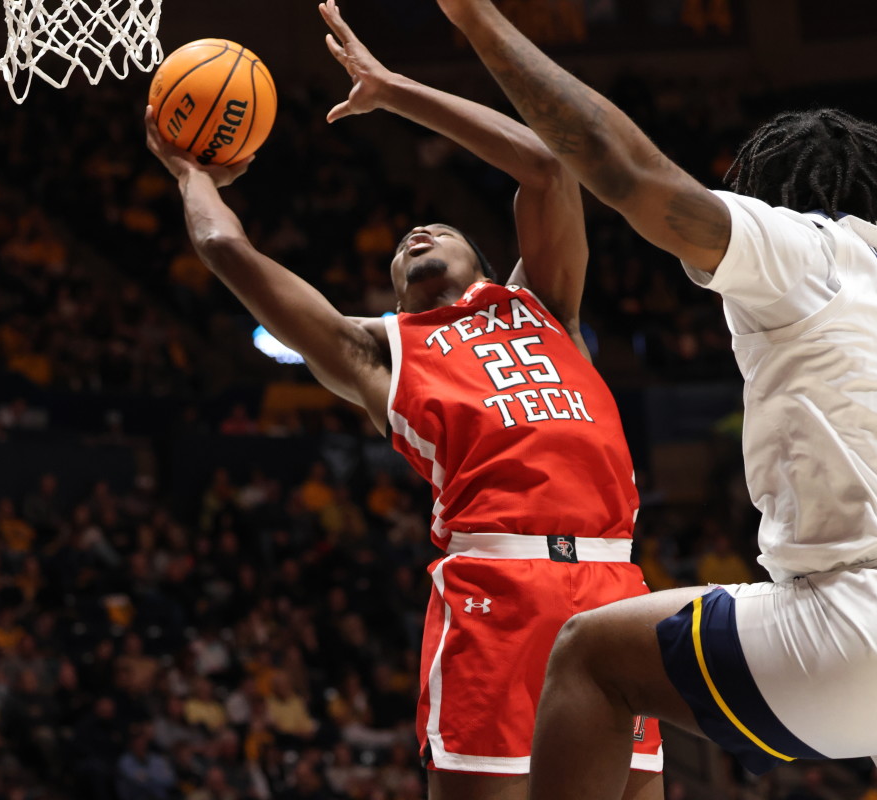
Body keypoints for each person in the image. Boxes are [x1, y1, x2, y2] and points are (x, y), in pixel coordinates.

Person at [433, 1, 877, 798]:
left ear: (772, 193)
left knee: (589, 654)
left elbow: (626, 171)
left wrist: (478, 19)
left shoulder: (806, 249)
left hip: (871, 626)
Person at [144, 2, 664, 797]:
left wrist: (393, 90)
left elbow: (547, 167)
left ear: (485, 260)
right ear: (393, 295)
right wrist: (192, 174)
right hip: (499, 593)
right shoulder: (379, 352)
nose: (414, 234)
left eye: (436, 229)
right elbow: (224, 248)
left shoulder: (544, 304)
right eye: (400, 250)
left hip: (615, 590)